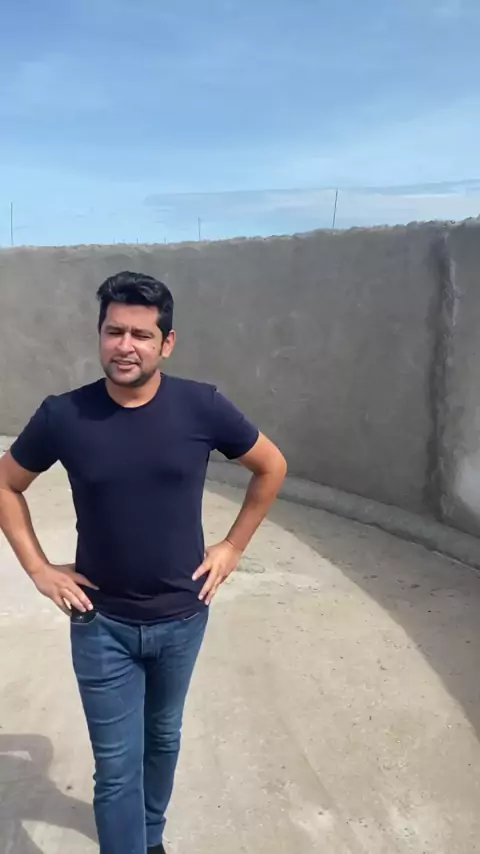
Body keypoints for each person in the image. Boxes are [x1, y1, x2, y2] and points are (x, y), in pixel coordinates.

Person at [0, 271, 287, 854]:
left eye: (141, 334)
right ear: (99, 335)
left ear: (166, 343)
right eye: (114, 332)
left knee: (163, 738)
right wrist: (38, 569)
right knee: (116, 767)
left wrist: (232, 547)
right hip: (100, 623)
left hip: (183, 617)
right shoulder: (64, 415)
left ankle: (150, 836)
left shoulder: (201, 406)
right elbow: (6, 485)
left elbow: (271, 466)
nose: (125, 346)